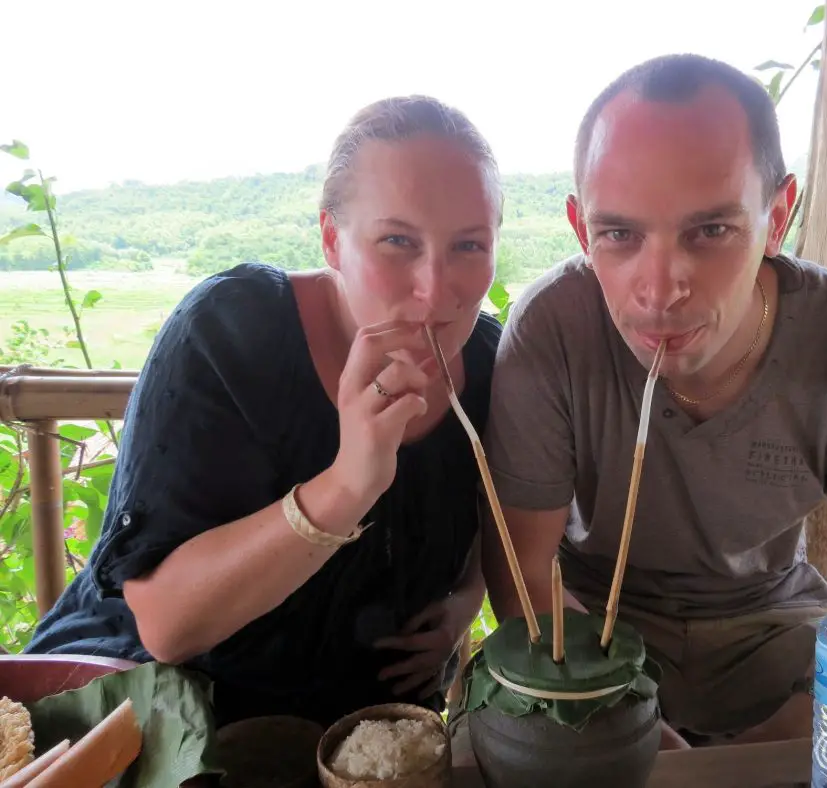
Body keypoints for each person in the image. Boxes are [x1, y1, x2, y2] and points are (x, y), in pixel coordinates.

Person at [479, 54, 827, 747]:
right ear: (583, 232)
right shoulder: (555, 329)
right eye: (620, 235)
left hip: (773, 627)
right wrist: (620, 716)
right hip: (587, 627)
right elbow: (519, 565)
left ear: (777, 218)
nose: (662, 286)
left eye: (710, 232)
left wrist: (808, 724)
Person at [26, 95, 505, 729]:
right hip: (135, 716)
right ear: (333, 240)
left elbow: (494, 511)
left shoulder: (492, 365)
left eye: (468, 245)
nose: (436, 289)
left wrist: (466, 596)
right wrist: (346, 485)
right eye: (397, 241)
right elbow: (167, 626)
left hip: (353, 739)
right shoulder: (232, 333)